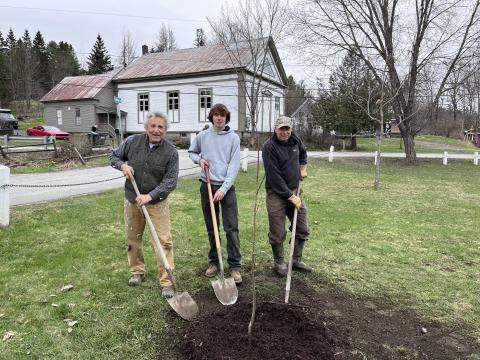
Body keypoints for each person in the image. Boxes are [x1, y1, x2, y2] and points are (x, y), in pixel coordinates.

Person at [110, 112, 179, 298]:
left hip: (157, 203)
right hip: (133, 198)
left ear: (165, 130)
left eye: (161, 127)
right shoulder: (132, 142)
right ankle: (137, 272)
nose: (156, 130)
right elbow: (114, 157)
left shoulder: (171, 151)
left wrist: (151, 196)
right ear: (146, 127)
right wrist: (122, 166)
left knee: (163, 241)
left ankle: (166, 281)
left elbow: (171, 181)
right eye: (153, 126)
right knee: (133, 238)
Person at [188, 103, 242, 284]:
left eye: (222, 115)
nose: (219, 118)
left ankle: (234, 265)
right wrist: (200, 160)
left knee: (231, 227)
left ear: (227, 118)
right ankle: (215, 261)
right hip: (207, 185)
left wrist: (223, 189)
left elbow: (234, 167)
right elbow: (192, 152)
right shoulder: (203, 136)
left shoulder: (234, 138)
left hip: (226, 188)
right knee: (212, 226)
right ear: (212, 117)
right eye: (216, 115)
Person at [262, 115, 313, 277]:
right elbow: (274, 177)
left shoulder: (296, 140)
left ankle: (296, 260)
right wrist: (290, 197)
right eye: (281, 129)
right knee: (277, 230)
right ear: (275, 129)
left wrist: (303, 168)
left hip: (295, 189)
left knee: (302, 227)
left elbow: (303, 155)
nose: (284, 132)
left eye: (287, 129)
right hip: (276, 193)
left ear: (291, 129)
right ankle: (279, 262)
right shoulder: (269, 146)